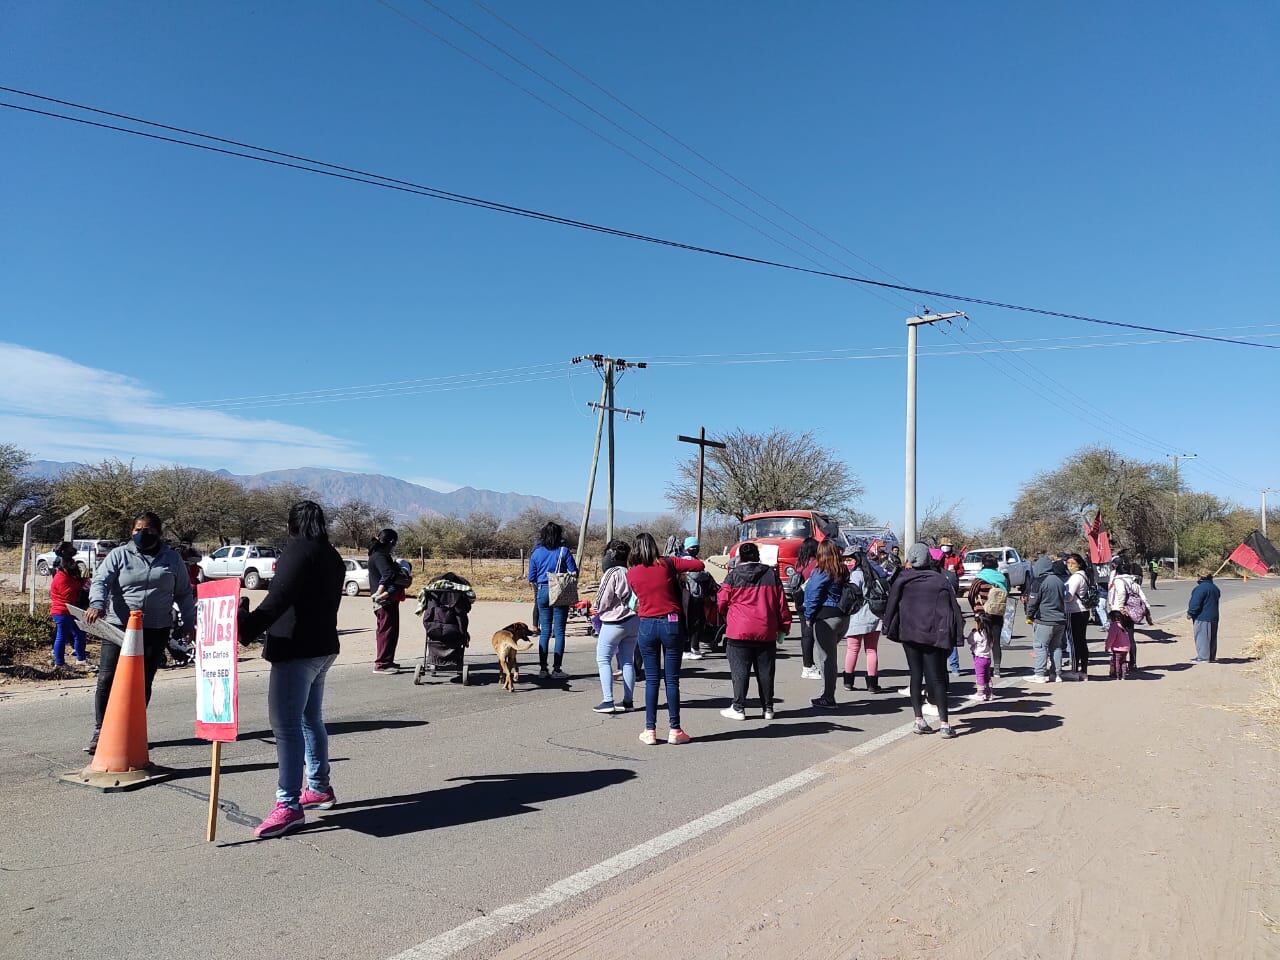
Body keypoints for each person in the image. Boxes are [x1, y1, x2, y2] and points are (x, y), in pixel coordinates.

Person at [238, 500, 346, 839]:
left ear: (291, 525)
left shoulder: (297, 553)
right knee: (309, 718)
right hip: (323, 648)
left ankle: (288, 805)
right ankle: (317, 786)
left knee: (285, 727)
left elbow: (277, 600)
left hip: (296, 651)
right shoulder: (332, 555)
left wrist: (246, 627)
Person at [84, 512, 196, 754]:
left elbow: (185, 593)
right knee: (107, 678)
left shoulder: (172, 559)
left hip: (155, 629)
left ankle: (131, 727)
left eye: (147, 530)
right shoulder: (119, 555)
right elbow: (101, 580)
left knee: (142, 681)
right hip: (118, 628)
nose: (141, 534)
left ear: (159, 533)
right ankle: (101, 729)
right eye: (137, 529)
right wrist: (97, 603)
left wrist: (190, 622)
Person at [626, 532, 702, 744]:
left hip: (647, 625)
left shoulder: (632, 573)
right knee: (672, 680)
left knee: (652, 680)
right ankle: (675, 729)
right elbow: (698, 566)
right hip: (671, 623)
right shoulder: (668, 563)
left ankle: (650, 730)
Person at [883, 543, 964, 738]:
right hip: (932, 634)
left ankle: (919, 720)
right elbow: (951, 609)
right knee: (935, 677)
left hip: (909, 634)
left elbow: (891, 606)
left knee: (915, 675)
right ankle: (945, 724)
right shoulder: (939, 581)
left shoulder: (902, 579)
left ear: (910, 559)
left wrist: (887, 627)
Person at [716, 541, 791, 720]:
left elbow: (721, 602)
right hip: (765, 630)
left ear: (740, 557)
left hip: (739, 630)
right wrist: (784, 626)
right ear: (757, 556)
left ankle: (739, 707)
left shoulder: (733, 576)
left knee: (740, 671)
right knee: (766, 672)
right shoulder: (771, 575)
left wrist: (727, 615)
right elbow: (782, 604)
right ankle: (768, 708)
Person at [592, 539, 638, 713]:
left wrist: (594, 609)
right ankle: (628, 701)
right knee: (627, 661)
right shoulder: (631, 572)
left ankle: (608, 700)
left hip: (614, 622)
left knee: (603, 659)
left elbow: (603, 599)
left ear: (610, 554)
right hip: (634, 621)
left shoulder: (612, 573)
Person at [802, 540, 849, 710]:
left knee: (826, 659)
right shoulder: (842, 570)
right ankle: (827, 693)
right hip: (843, 617)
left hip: (825, 617)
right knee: (829, 656)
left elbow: (813, 593)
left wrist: (808, 616)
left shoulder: (822, 570)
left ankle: (828, 696)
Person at [527, 521, 577, 679]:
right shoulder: (564, 551)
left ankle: (543, 669)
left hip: (542, 591)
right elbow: (573, 571)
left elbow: (531, 578)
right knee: (560, 631)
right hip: (559, 592)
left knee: (545, 632)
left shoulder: (536, 553)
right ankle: (557, 669)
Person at [843, 548, 886, 693]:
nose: (846, 562)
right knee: (871, 650)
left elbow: (851, 595)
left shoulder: (855, 575)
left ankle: (848, 681)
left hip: (857, 616)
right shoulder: (874, 573)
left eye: (849, 560)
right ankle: (872, 684)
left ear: (857, 559)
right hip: (874, 616)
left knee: (852, 649)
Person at [1025, 556, 1068, 683]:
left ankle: (1039, 674)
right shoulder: (1059, 580)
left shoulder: (1039, 581)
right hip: (1060, 620)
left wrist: (1029, 615)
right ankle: (1057, 674)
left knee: (1040, 646)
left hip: (1044, 620)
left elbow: (1033, 602)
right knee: (1056, 647)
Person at [965, 554, 1008, 679]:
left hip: (983, 614)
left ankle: (985, 668)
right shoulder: (1002, 578)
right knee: (996, 642)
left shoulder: (979, 579)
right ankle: (997, 669)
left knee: (983, 642)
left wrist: (976, 608)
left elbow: (971, 595)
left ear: (983, 564)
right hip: (998, 613)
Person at [368, 528, 403, 675]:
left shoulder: (379, 555)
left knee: (390, 630)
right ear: (391, 542)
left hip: (387, 599)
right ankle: (381, 664)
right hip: (384, 601)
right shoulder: (380, 556)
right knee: (386, 630)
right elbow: (388, 574)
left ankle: (387, 660)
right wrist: (382, 592)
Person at [1107, 560, 1153, 671]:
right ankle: (1133, 663)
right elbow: (1142, 596)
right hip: (1131, 612)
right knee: (1130, 638)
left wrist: (1121, 607)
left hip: (1119, 611)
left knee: (1117, 638)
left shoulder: (1118, 581)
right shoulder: (1134, 582)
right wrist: (1147, 611)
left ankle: (1119, 663)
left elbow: (1121, 593)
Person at [49, 543, 89, 668]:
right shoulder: (61, 577)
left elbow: (75, 586)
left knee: (80, 634)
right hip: (62, 611)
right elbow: (68, 595)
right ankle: (59, 662)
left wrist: (83, 581)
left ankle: (81, 659)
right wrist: (80, 586)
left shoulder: (68, 576)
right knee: (61, 636)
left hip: (72, 611)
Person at [789, 537, 821, 679]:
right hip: (812, 601)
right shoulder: (816, 564)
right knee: (812, 634)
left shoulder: (799, 563)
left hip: (799, 600)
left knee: (805, 633)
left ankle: (807, 664)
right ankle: (809, 666)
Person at [1063, 553, 1093, 678]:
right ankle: (1084, 669)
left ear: (1079, 564)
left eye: (1073, 563)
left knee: (1074, 641)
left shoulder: (1075, 577)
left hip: (1074, 611)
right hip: (1083, 611)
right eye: (1068, 563)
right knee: (1081, 641)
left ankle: (1074, 671)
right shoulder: (1084, 576)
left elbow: (1068, 597)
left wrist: (1060, 596)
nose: (1070, 566)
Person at [1187, 572, 1221, 663]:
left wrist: (1190, 613)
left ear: (1201, 577)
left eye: (1198, 576)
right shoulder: (1215, 588)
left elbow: (1195, 603)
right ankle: (1211, 656)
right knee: (1212, 638)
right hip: (1214, 616)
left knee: (1202, 638)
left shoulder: (1200, 589)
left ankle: (1203, 657)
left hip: (1202, 617)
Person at [967, 620, 994, 701]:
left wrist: (972, 632)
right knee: (987, 676)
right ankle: (989, 693)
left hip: (979, 657)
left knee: (980, 675)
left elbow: (970, 641)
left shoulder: (978, 634)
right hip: (987, 657)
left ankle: (980, 693)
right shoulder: (990, 634)